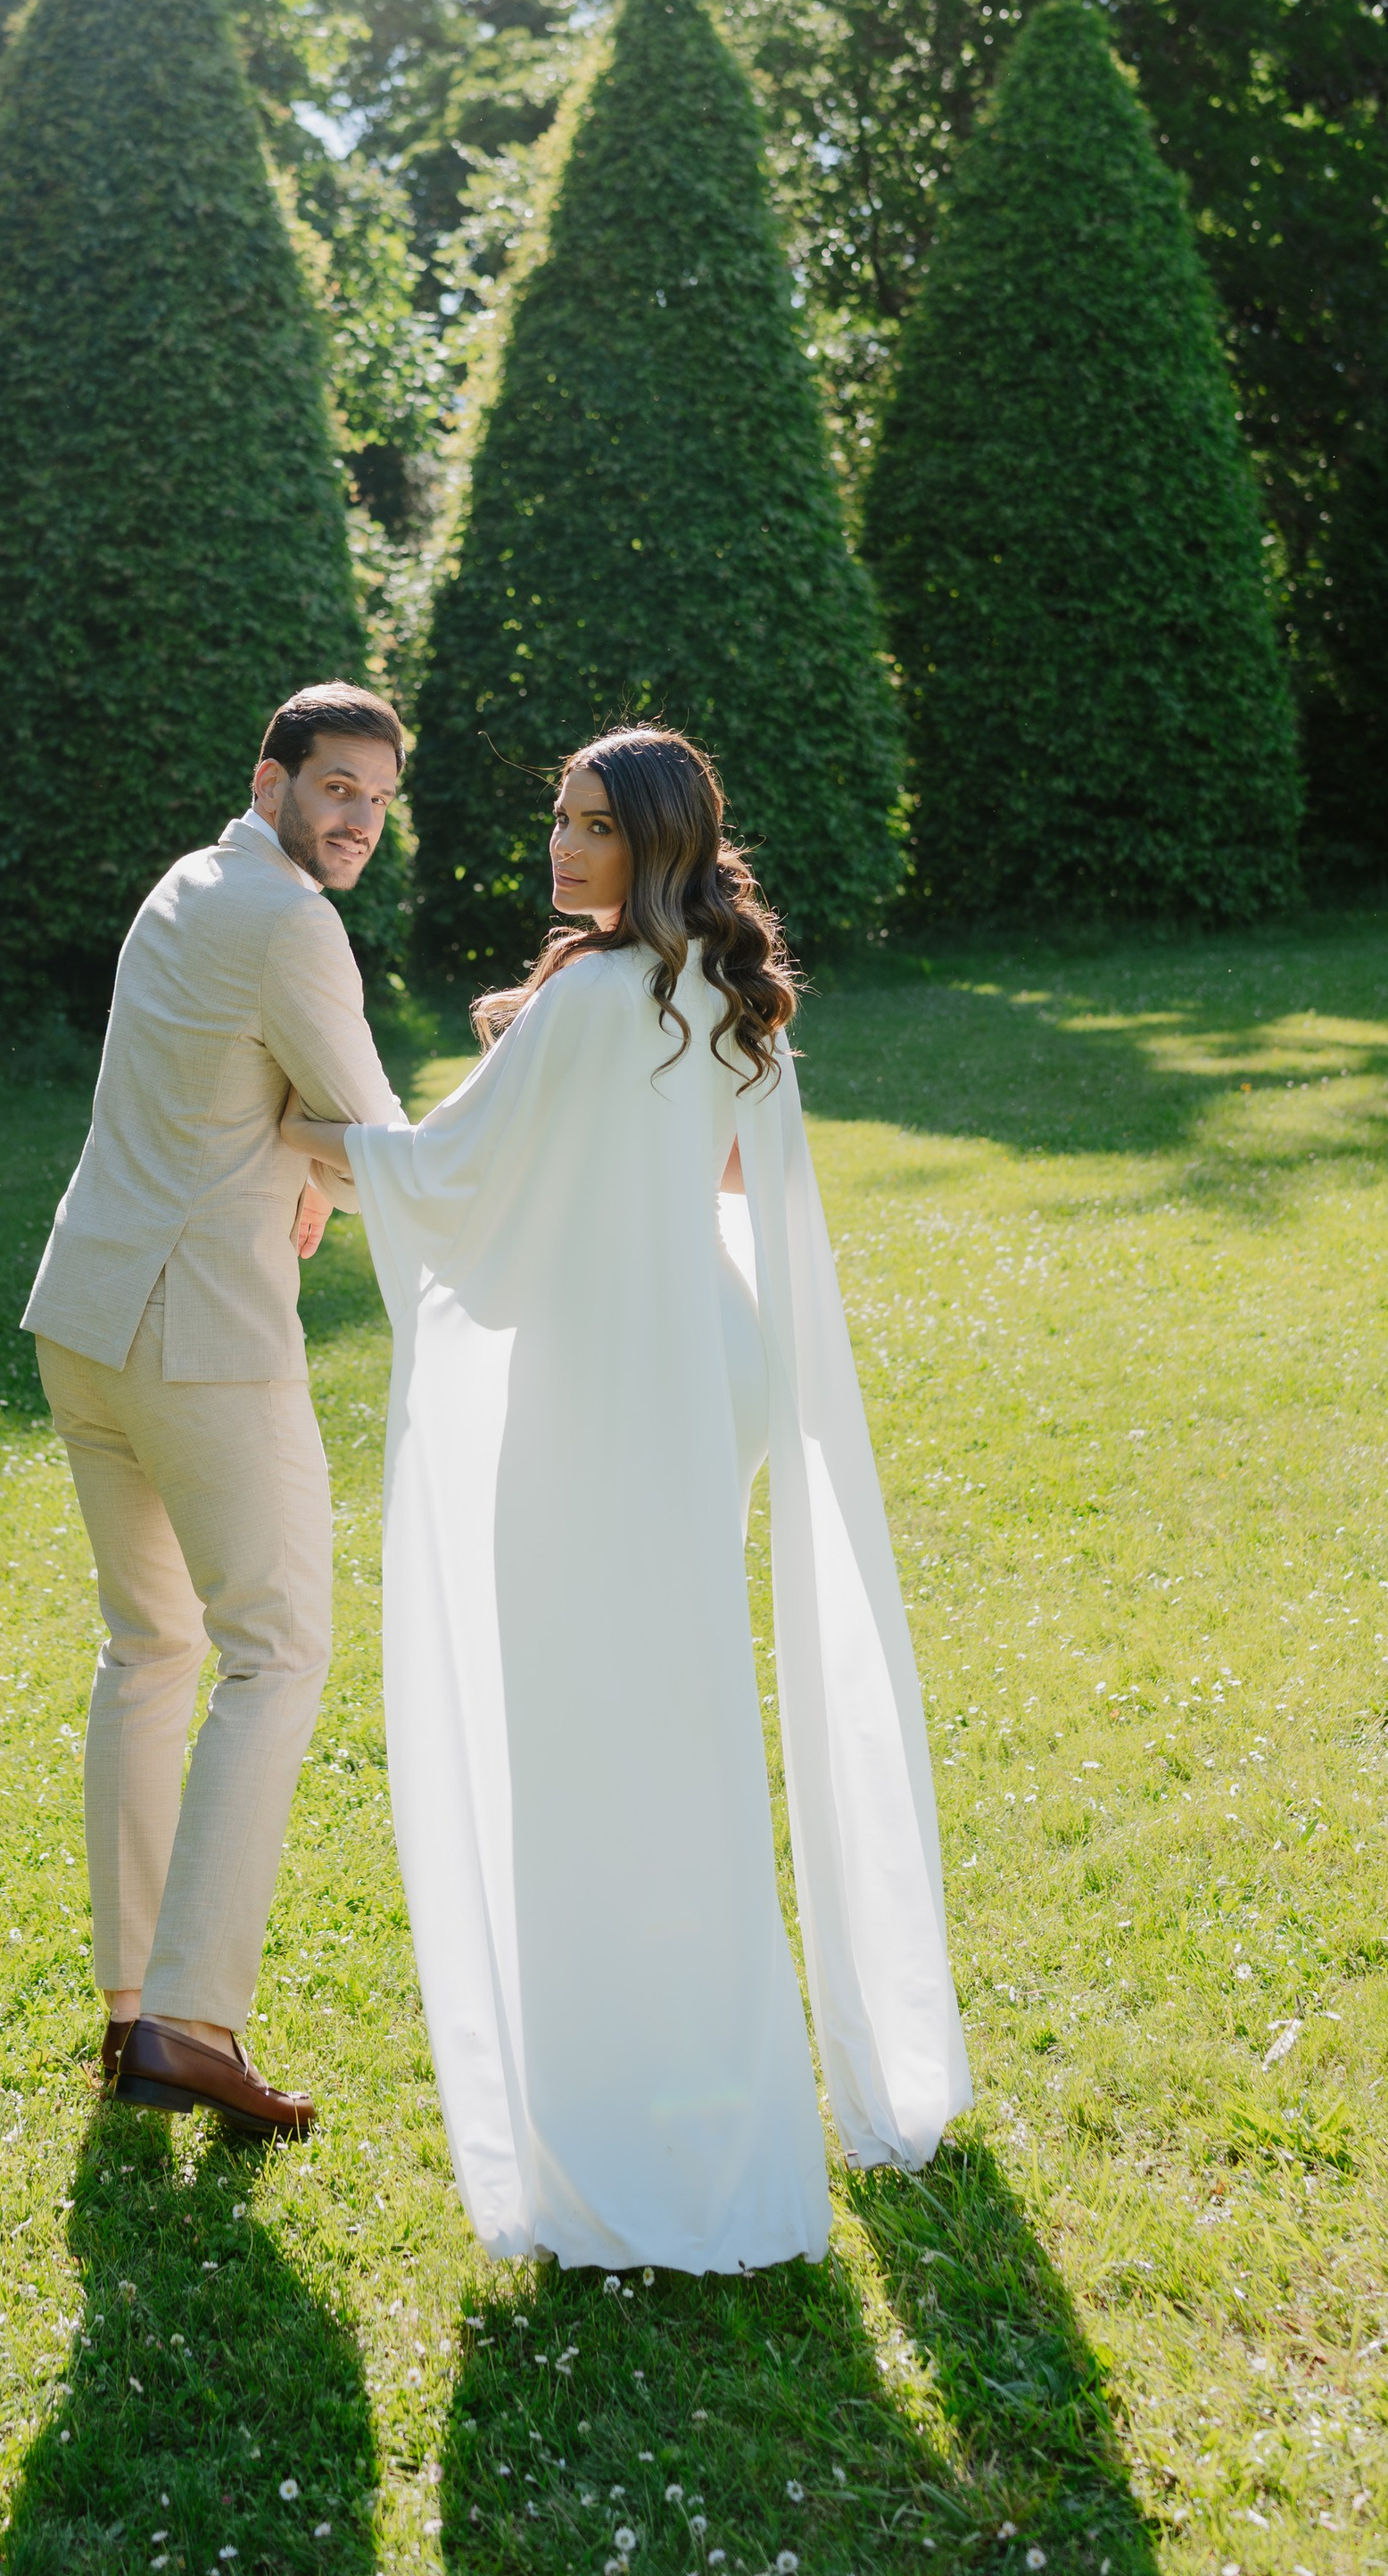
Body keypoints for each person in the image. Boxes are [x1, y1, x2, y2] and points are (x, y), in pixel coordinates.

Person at [281, 726, 970, 2269]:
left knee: (586, 1729)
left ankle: (622, 2129)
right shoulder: (722, 987)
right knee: (680, 1715)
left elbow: (445, 1175)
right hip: (704, 1367)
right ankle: (710, 2089)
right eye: (561, 820)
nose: (565, 849)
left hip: (606, 1385)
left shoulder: (594, 995)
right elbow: (727, 1174)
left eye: (596, 826)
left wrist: (286, 1138)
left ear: (661, 841)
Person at [23, 683, 406, 2141]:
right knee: (278, 1648)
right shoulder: (292, 922)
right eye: (335, 786)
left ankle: (133, 2007)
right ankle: (191, 2022)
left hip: (86, 1317)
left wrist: (290, 1157)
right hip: (198, 1342)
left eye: (378, 794)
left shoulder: (187, 882)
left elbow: (213, 1095)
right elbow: (376, 1141)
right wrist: (325, 1157)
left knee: (152, 1644)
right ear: (273, 774)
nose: (357, 815)